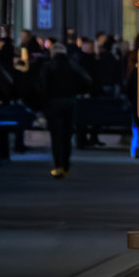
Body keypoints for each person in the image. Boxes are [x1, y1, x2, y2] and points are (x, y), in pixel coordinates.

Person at [41, 41, 93, 177]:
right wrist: (77, 91)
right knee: (67, 135)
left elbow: (41, 86)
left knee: (56, 136)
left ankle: (58, 166)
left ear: (52, 53)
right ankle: (66, 165)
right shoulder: (73, 66)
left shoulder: (48, 67)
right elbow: (87, 81)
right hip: (70, 102)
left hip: (53, 103)